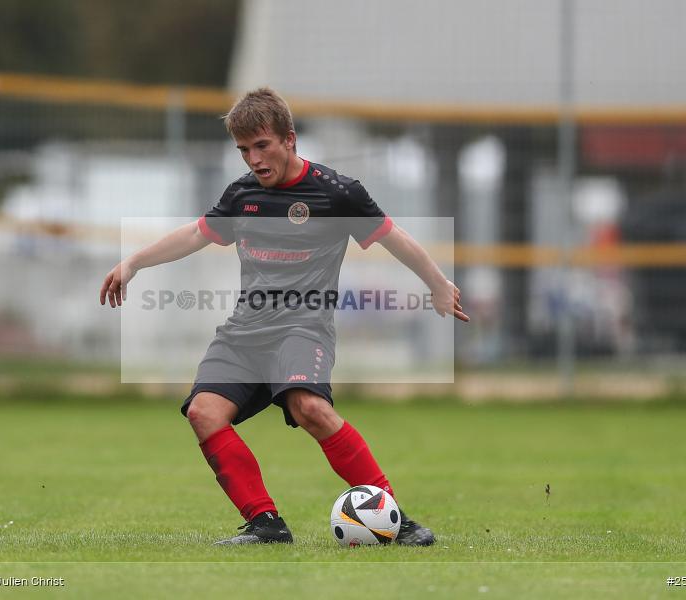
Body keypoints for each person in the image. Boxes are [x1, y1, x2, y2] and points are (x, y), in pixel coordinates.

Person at [100, 88, 469, 546]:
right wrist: (133, 262)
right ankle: (266, 525)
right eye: (243, 150)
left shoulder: (338, 193)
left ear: (289, 140)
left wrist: (436, 284)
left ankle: (395, 518)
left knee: (310, 407)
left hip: (303, 327)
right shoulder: (242, 195)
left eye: (262, 145)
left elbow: (396, 239)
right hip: (245, 331)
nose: (253, 159)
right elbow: (194, 235)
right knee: (203, 413)